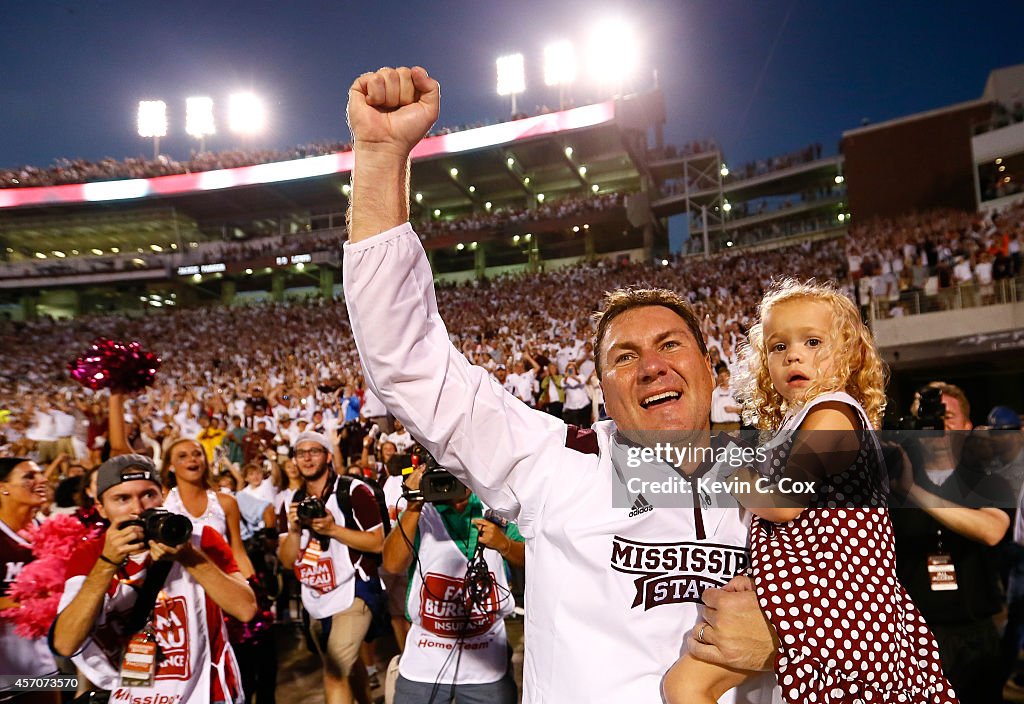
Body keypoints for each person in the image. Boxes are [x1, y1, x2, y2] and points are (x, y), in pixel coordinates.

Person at [343, 65, 777, 703]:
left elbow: (872, 607)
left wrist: (790, 637)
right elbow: (407, 361)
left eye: (670, 345)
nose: (652, 365)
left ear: (713, 373)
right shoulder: (557, 461)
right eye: (624, 356)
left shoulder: (779, 476)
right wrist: (381, 157)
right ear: (601, 390)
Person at [664, 279, 956, 702]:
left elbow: (784, 503)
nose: (794, 354)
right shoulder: (800, 420)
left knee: (686, 684)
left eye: (813, 341)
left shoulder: (832, 414)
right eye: (778, 347)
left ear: (850, 352)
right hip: (816, 591)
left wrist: (730, 469)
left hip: (835, 597)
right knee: (688, 684)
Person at [52, 454, 257, 703]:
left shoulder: (201, 539)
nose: (138, 508)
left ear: (163, 496)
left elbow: (246, 609)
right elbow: (65, 643)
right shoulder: (90, 555)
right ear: (101, 508)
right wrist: (107, 564)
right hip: (131, 695)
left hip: (208, 693)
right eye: (122, 499)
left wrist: (190, 558)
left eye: (148, 494)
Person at [890, 383, 1011, 703]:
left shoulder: (986, 479)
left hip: (977, 632)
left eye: (949, 417)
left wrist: (913, 492)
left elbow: (992, 530)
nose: (940, 427)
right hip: (913, 634)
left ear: (968, 427)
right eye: (929, 419)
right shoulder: (890, 483)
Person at [383, 463, 524, 703]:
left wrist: (504, 544)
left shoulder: (494, 506)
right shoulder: (422, 510)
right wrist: (414, 503)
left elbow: (530, 557)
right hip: (424, 661)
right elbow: (392, 564)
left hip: (486, 664)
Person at [278, 431, 385, 704]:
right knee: (348, 669)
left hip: (354, 590)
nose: (307, 458)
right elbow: (287, 561)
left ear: (328, 456)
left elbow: (378, 544)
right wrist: (292, 530)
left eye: (314, 451)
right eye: (301, 453)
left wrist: (333, 529)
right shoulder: (290, 502)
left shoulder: (354, 491)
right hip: (315, 595)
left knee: (334, 673)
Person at [0, 457, 59, 680]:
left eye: (40, 474)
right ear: (3, 488)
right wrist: (37, 603)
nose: (42, 480)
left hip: (40, 658)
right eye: (29, 476)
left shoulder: (51, 531)